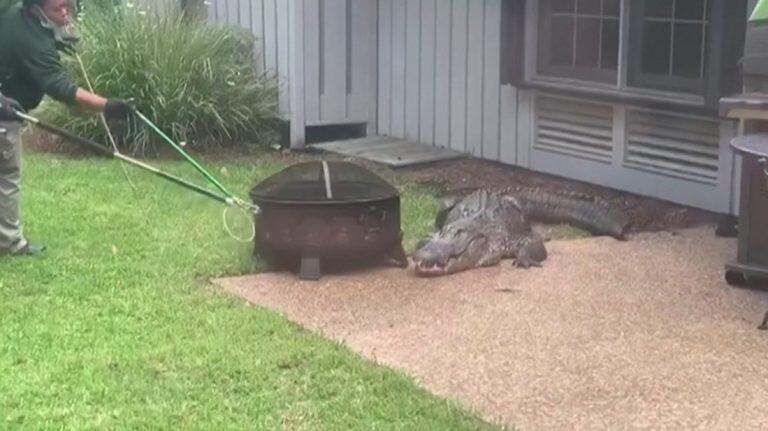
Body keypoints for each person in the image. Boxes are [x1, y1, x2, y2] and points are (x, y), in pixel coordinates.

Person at [0, 0, 132, 256]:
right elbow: (62, 89)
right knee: (7, 177)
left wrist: (56, 42)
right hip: (5, 115)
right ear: (36, 8)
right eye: (58, 8)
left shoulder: (13, 12)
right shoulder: (31, 42)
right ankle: (9, 242)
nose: (65, 12)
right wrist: (108, 106)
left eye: (69, 5)